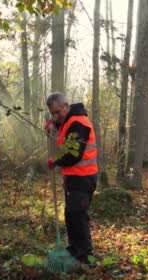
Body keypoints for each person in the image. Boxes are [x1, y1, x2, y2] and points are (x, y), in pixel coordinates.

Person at [44, 92, 98, 264]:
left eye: (58, 112)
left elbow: (74, 155)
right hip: (73, 177)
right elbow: (63, 134)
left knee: (78, 215)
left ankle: (84, 255)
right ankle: (74, 249)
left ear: (66, 106)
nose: (56, 116)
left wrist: (56, 161)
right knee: (71, 214)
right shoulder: (67, 121)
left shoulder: (78, 123)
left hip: (84, 178)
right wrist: (52, 126)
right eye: (53, 114)